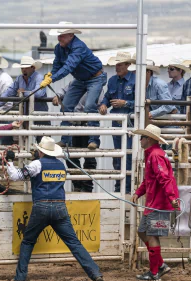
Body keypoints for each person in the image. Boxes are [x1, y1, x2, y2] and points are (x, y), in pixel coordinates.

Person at [6, 136, 104, 281]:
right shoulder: (61, 166)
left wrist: (9, 161)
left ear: (40, 151)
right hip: (59, 207)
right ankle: (95, 272)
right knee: (74, 243)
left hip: (41, 207)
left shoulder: (36, 164)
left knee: (28, 241)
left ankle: (20, 277)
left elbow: (15, 176)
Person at [40, 22, 107, 150]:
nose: (59, 38)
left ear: (71, 35)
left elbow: (68, 66)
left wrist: (52, 78)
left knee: (89, 106)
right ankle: (65, 139)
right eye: (59, 35)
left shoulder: (78, 47)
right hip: (81, 78)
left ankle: (94, 140)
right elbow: (57, 66)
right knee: (67, 105)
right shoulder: (59, 48)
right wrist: (50, 75)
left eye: (62, 36)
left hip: (95, 78)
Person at [131, 124, 179, 281]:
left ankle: (154, 272)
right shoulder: (153, 154)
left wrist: (172, 198)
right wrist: (138, 193)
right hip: (155, 202)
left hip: (160, 203)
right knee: (143, 231)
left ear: (149, 139)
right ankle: (160, 265)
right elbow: (150, 180)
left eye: (142, 137)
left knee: (151, 234)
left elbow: (163, 178)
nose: (140, 139)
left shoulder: (155, 156)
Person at [54, 81, 103, 192]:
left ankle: (85, 186)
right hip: (74, 123)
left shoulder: (96, 85)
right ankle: (79, 184)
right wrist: (57, 95)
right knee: (71, 156)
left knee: (87, 157)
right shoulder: (75, 82)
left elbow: (99, 103)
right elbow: (63, 90)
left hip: (85, 124)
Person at [99, 52, 135, 193]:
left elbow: (140, 103)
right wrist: (103, 105)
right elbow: (107, 97)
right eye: (116, 64)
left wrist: (125, 103)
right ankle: (119, 187)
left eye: (120, 64)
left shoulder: (135, 80)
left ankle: (126, 188)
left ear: (127, 65)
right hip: (117, 123)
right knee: (118, 155)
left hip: (130, 123)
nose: (117, 67)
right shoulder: (112, 80)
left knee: (128, 154)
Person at [1, 56, 48, 143]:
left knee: (43, 140)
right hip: (26, 114)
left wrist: (24, 93)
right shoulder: (19, 78)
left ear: (33, 68)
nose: (24, 70)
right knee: (24, 139)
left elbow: (39, 93)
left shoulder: (39, 77)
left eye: (26, 67)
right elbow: (8, 92)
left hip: (40, 114)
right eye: (22, 68)